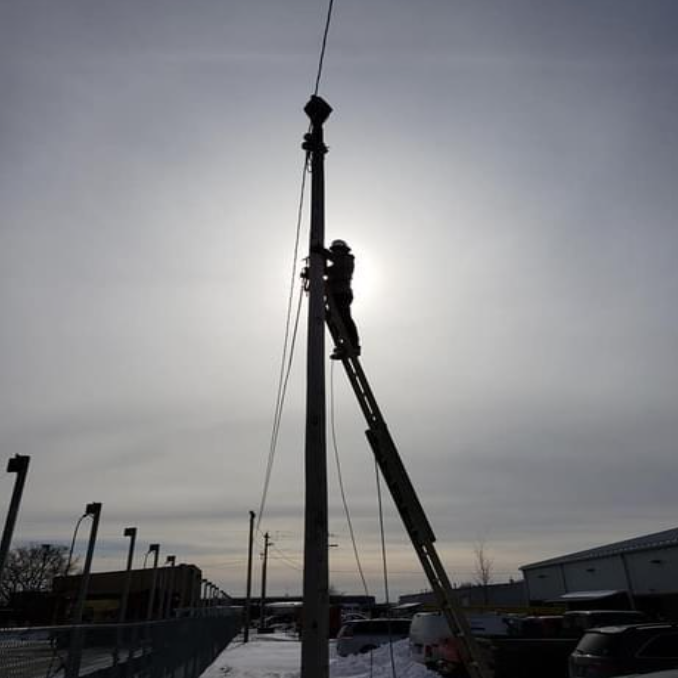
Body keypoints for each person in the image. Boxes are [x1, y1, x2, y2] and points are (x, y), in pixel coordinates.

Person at [319, 239, 360, 359]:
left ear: (343, 251)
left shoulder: (347, 260)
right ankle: (343, 346)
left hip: (342, 294)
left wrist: (323, 252)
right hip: (335, 295)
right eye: (334, 251)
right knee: (334, 321)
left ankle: (353, 345)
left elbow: (336, 263)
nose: (335, 253)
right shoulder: (337, 264)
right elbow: (327, 271)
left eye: (337, 250)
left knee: (344, 319)